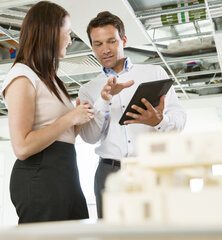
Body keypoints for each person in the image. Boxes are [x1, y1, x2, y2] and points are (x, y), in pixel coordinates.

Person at [78, 11, 187, 218]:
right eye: (98, 44)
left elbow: (180, 121)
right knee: (112, 234)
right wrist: (104, 100)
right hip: (109, 173)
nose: (105, 50)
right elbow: (89, 138)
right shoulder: (88, 89)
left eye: (111, 41)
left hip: (152, 169)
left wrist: (159, 121)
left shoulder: (154, 74)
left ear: (124, 40)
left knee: (156, 231)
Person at [1, 1, 94, 224]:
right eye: (68, 33)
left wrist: (81, 116)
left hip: (65, 172)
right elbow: (22, 147)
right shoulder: (22, 77)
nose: (71, 40)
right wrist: (70, 117)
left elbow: (64, 134)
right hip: (40, 175)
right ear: (50, 33)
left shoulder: (50, 79)